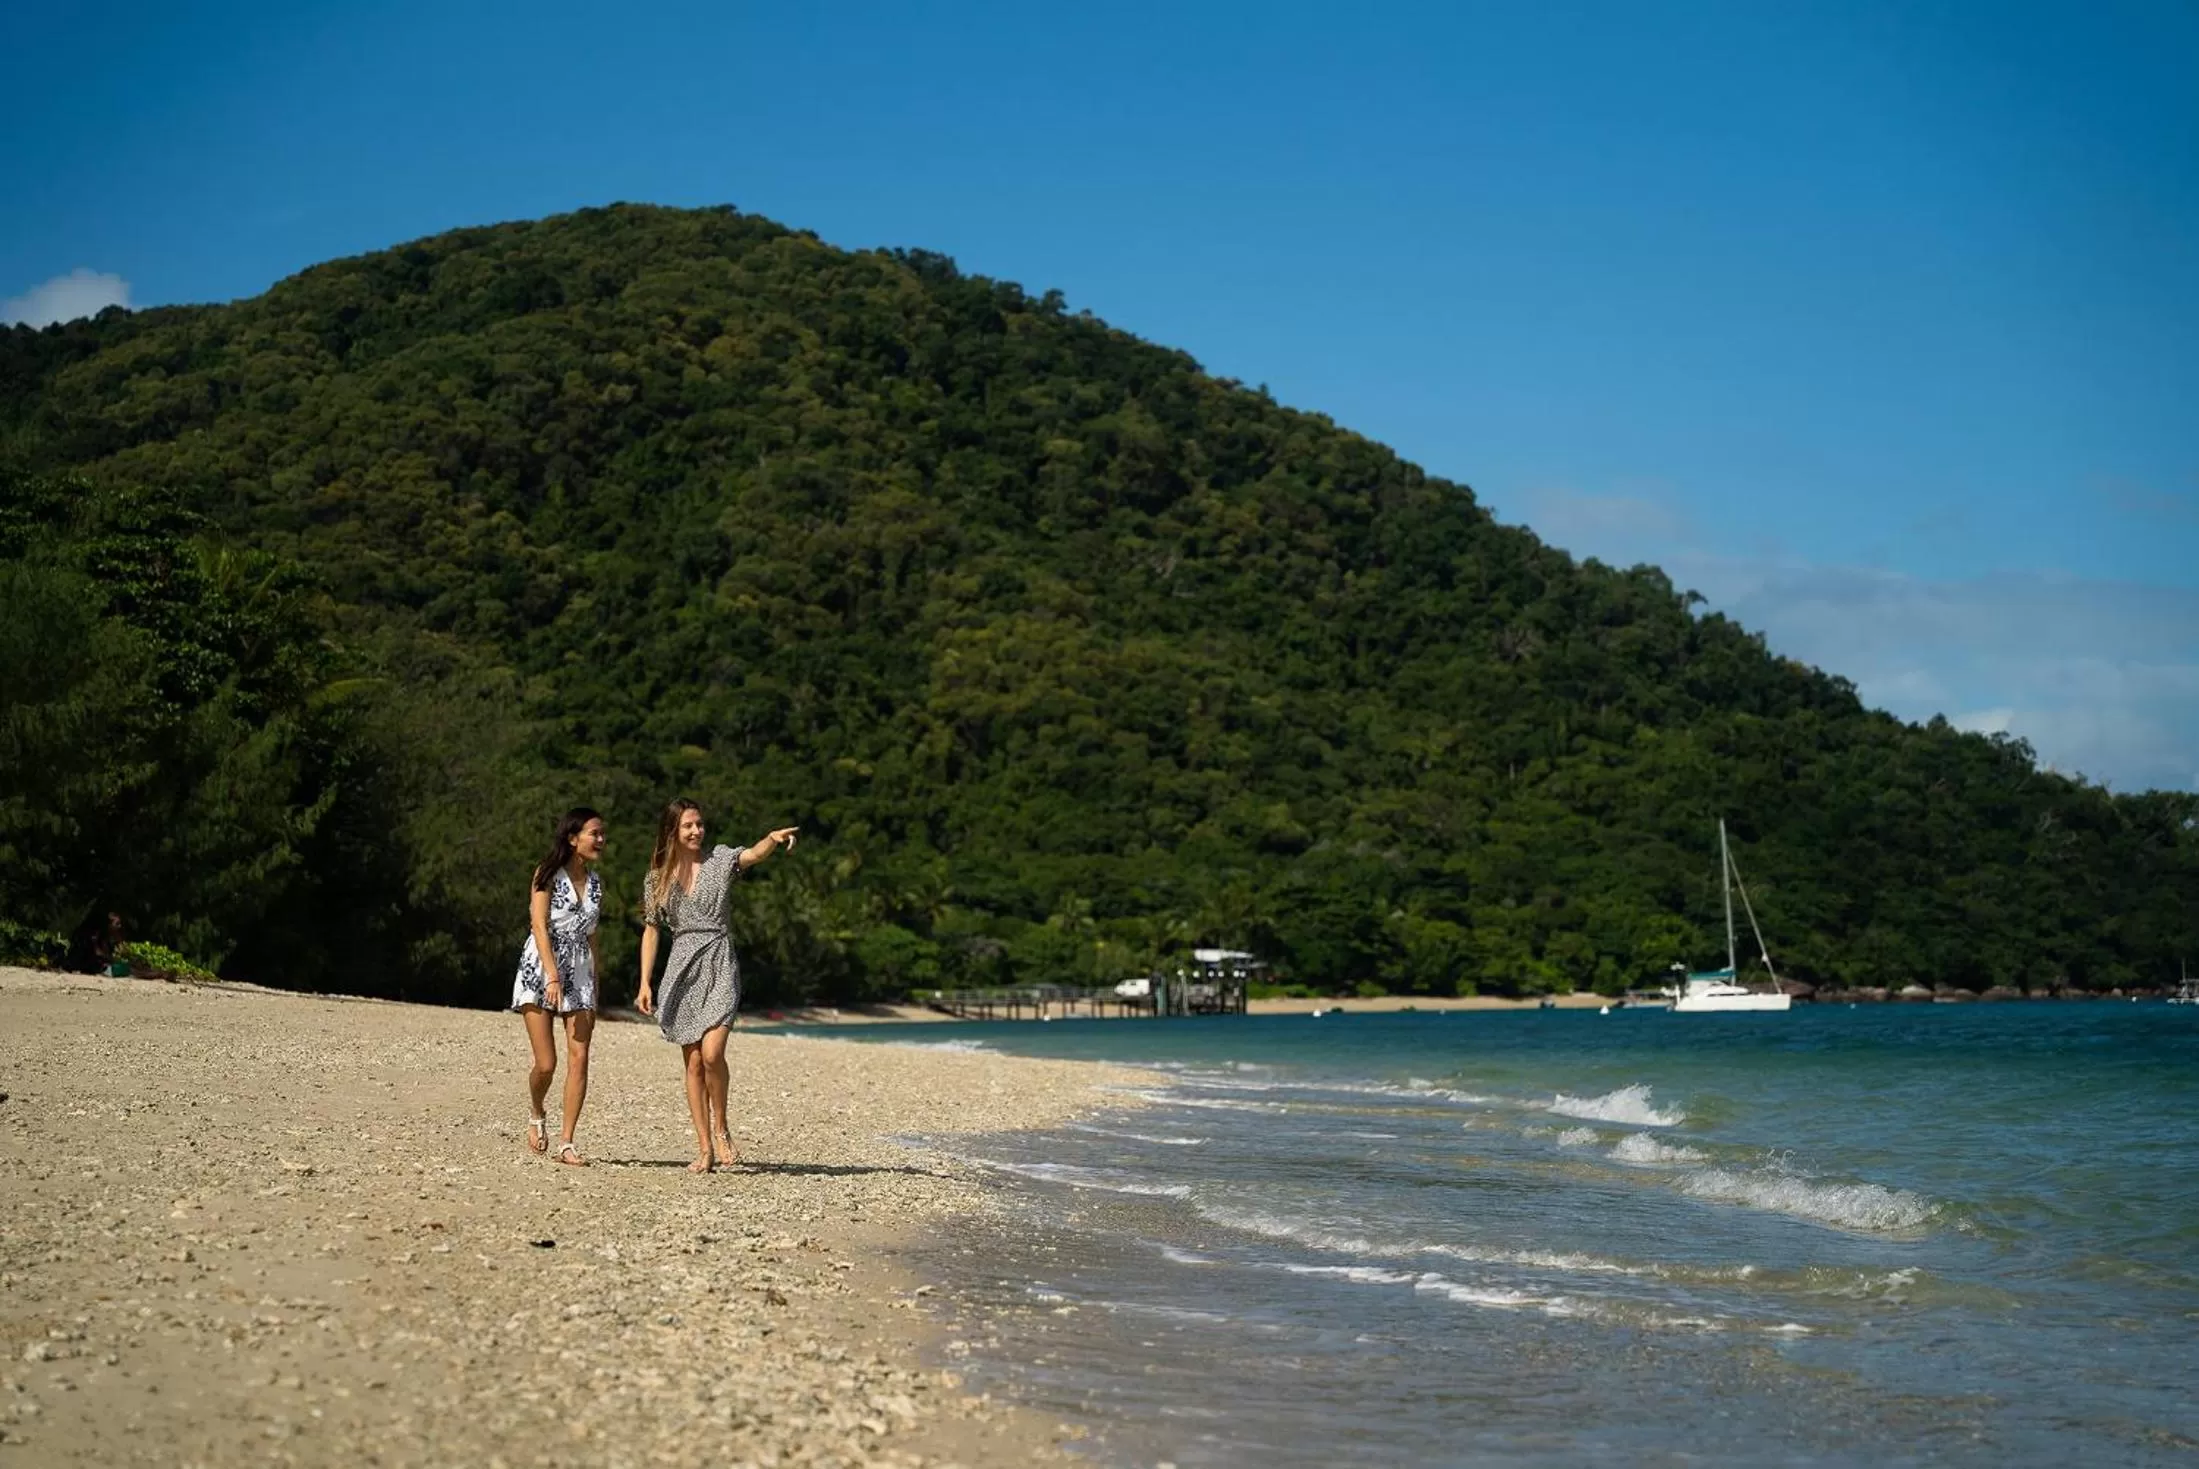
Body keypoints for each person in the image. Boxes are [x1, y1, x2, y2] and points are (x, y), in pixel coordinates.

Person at [636, 798, 799, 1173]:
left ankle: (722, 1127)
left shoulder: (721, 861)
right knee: (693, 1062)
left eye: (700, 824)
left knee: (712, 1054)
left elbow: (753, 856)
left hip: (720, 958)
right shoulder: (656, 878)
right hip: (682, 967)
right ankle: (705, 1147)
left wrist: (771, 839)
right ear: (672, 832)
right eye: (688, 826)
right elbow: (651, 930)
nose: (697, 831)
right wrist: (645, 982)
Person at [510, 807, 606, 1165]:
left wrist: (595, 984)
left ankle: (567, 1141)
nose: (601, 840)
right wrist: (552, 975)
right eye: (594, 833)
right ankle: (537, 1112)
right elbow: (538, 925)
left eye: (602, 834)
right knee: (547, 1064)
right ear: (572, 838)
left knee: (579, 1059)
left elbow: (593, 936)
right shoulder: (546, 874)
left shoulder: (597, 883)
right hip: (541, 965)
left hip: (580, 970)